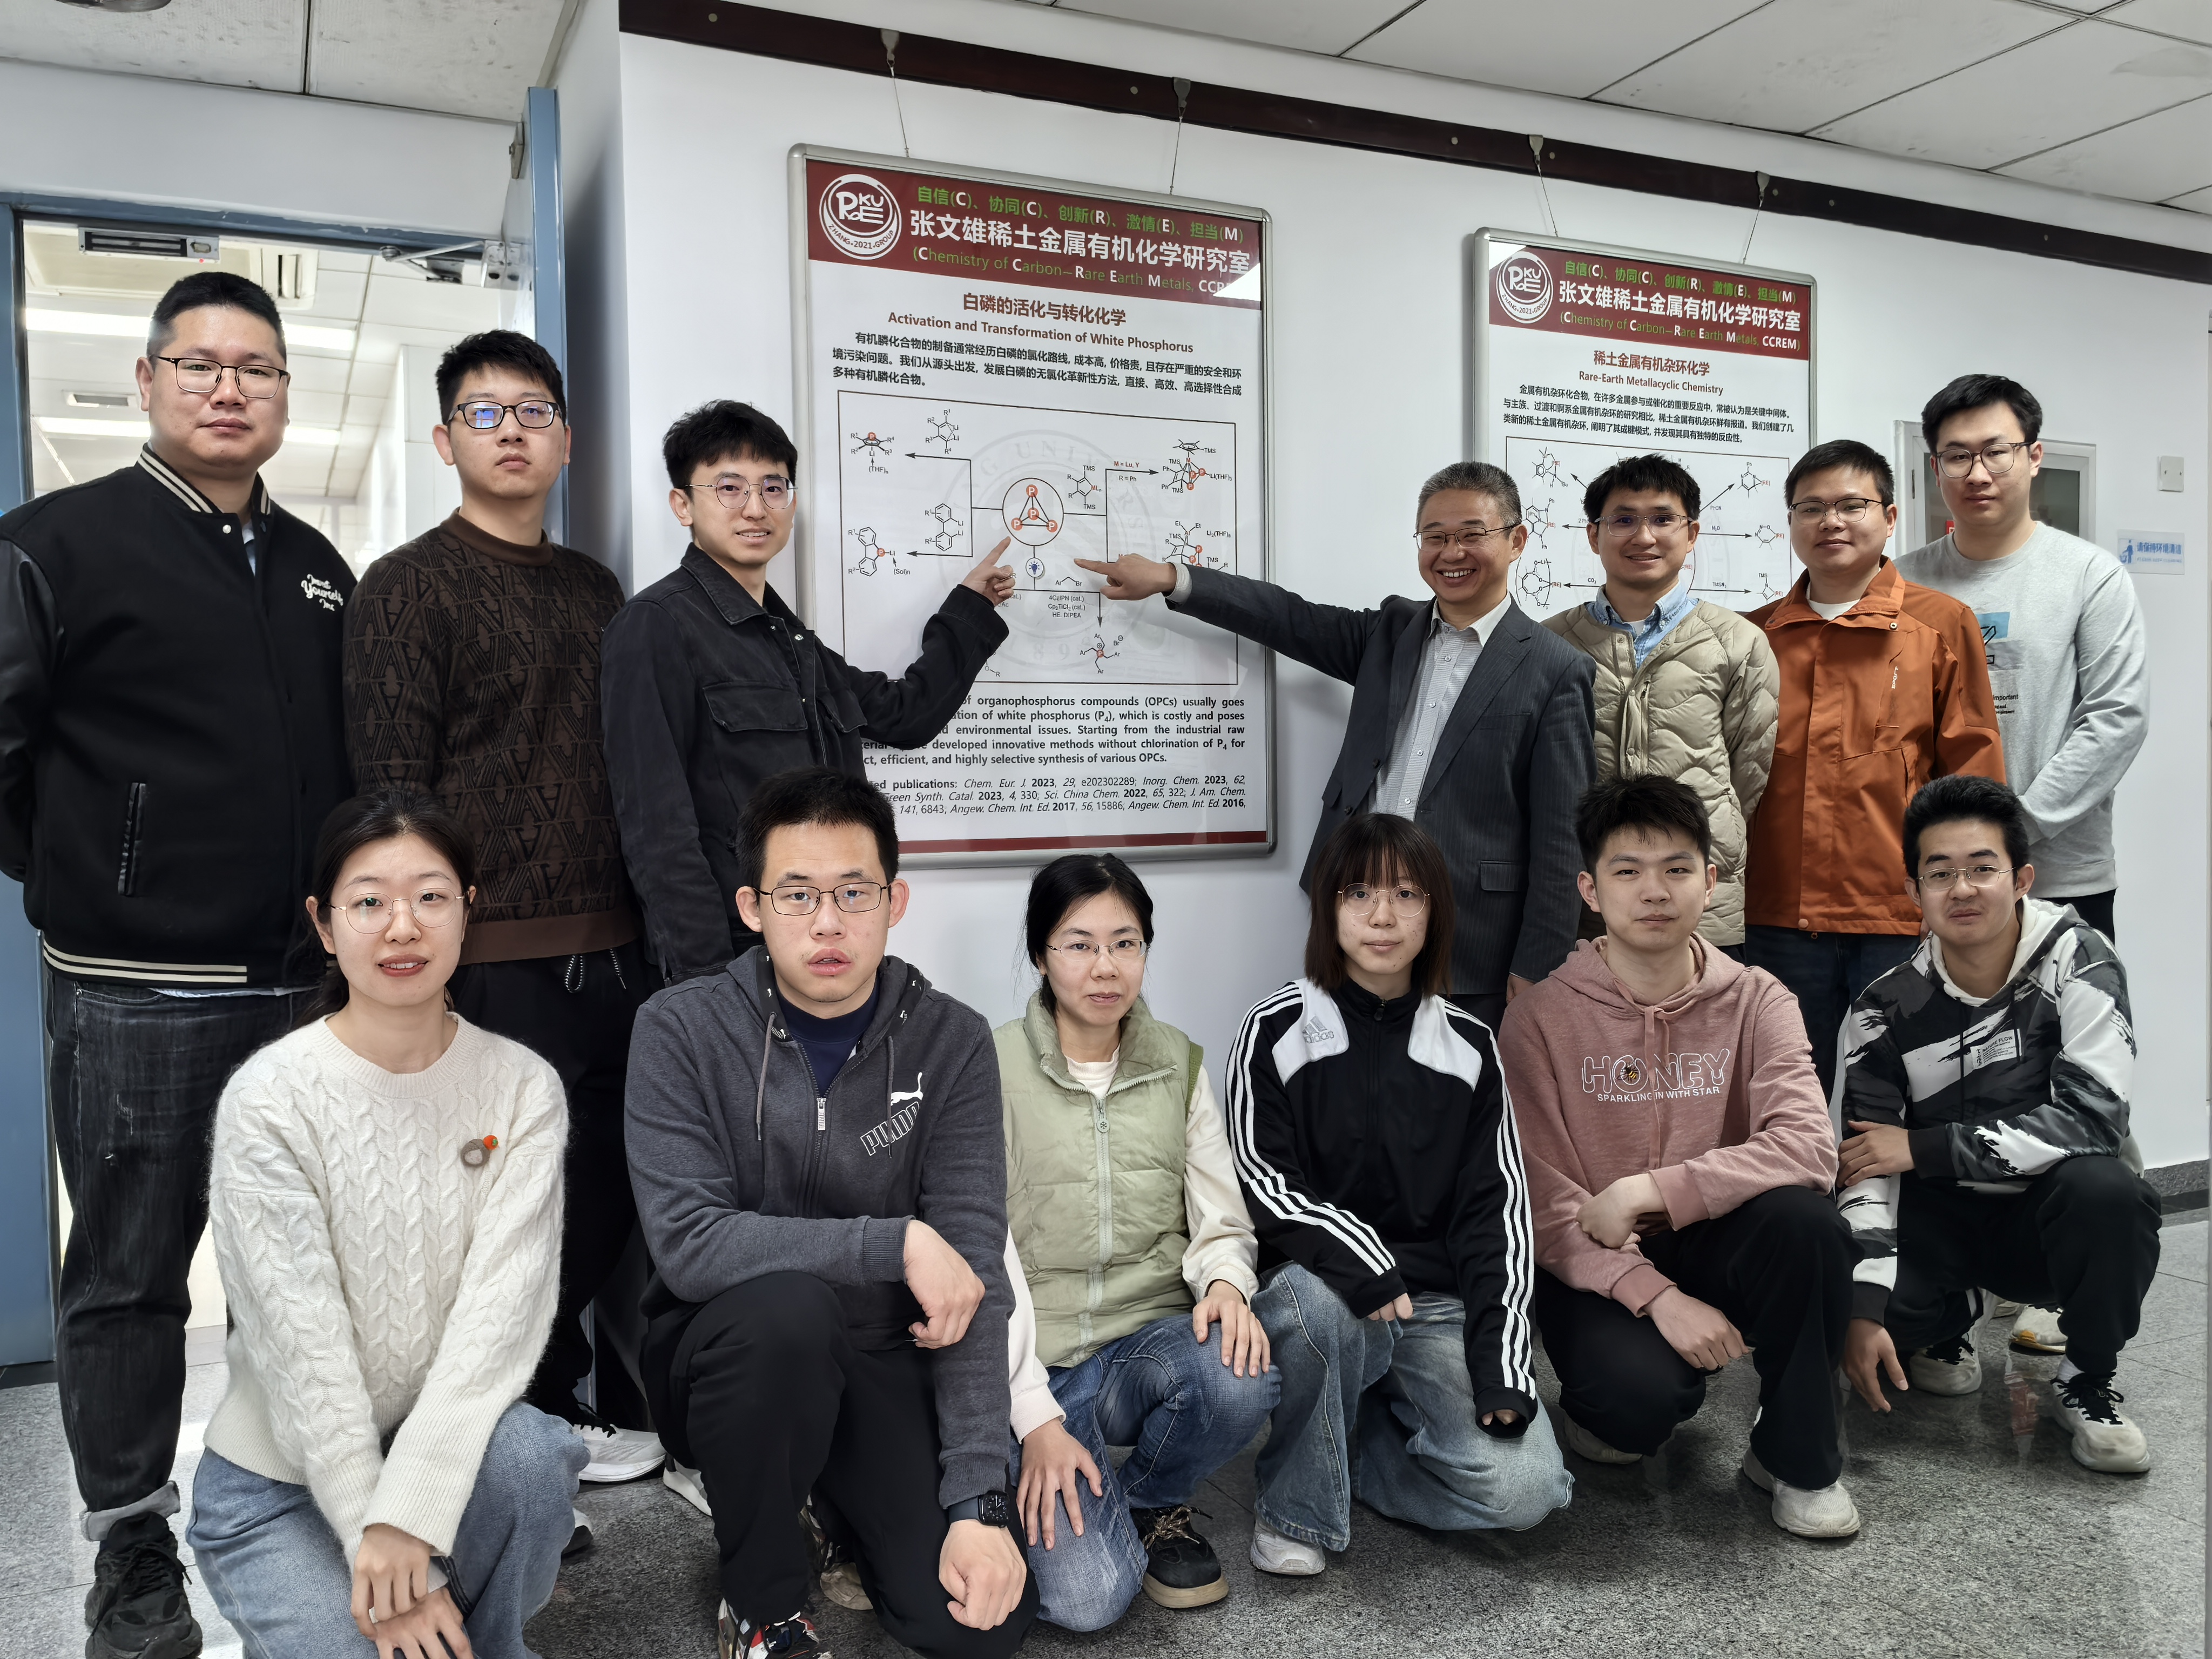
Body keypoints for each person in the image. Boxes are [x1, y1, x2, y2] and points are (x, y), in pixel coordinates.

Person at [0, 271, 357, 1659]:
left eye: (256, 368)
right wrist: (100, 872)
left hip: (302, 994)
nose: (228, 388)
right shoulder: (56, 544)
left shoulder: (319, 566)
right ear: (147, 381)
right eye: (199, 364)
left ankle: (278, 1496)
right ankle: (131, 1547)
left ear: (284, 396)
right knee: (131, 1280)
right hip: (135, 991)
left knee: (294, 1275)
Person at [345, 328, 663, 1485]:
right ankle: (487, 1451)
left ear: (566, 438)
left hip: (616, 953)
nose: (511, 431)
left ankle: (532, 1414)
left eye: (533, 411)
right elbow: (393, 793)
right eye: (484, 413)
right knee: (491, 1213)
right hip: (490, 963)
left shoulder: (595, 589)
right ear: (446, 441)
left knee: (601, 1197)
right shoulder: (404, 588)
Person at [625, 767, 1035, 1659]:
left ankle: (829, 1502)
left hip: (883, 1352)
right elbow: (690, 1244)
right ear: (751, 907)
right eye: (797, 894)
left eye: (854, 892)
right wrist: (896, 1242)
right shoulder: (678, 1029)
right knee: (790, 1313)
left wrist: (979, 1501)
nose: (826, 922)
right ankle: (765, 1602)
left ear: (895, 902)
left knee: (977, 1628)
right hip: (732, 1358)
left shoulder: (954, 1040)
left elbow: (973, 1274)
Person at [186, 790, 583, 1659]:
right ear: (324, 925)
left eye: (431, 897)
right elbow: (306, 1352)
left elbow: (497, 1327)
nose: (403, 927)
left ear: (468, 910)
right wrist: (387, 1541)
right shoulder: (270, 1099)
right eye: (369, 901)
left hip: (447, 1464)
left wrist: (409, 1523)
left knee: (530, 1457)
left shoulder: (522, 1088)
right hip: (279, 1485)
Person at [1079, 460, 1594, 1028]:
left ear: (1517, 540)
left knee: (1455, 1082)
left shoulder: (1555, 668)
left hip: (1472, 938)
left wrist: (1537, 964)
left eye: (1472, 534)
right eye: (1435, 537)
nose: (1451, 553)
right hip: (1355, 914)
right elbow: (1287, 617)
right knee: (1348, 1069)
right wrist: (1172, 578)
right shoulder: (1390, 633)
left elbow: (1561, 838)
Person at [1501, 775, 1859, 1537]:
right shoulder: (1537, 1019)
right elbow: (1539, 1196)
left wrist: (1650, 1189)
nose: (1654, 891)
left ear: (1711, 881)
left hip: (1722, 1237)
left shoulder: (1760, 998)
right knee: (1630, 1413)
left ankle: (1795, 1459)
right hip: (1600, 1257)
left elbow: (1808, 1147)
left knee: (1811, 1226)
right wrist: (1658, 1297)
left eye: (1676, 869)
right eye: (1628, 871)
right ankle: (1617, 1399)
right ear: (1591, 890)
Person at [1222, 812, 1570, 1575]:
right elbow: (1260, 1180)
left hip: (1433, 1308)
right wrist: (1364, 1264)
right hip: (1320, 1293)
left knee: (1527, 1492)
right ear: (1330, 908)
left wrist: (1503, 1366)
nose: (1382, 916)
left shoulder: (1470, 1044)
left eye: (1406, 895)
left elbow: (1498, 1217)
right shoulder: (1275, 1027)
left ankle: (1356, 1450)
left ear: (1434, 911)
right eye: (1359, 893)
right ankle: (1294, 1507)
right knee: (1319, 1305)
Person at [602, 401, 1016, 984]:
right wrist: (706, 987)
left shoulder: (791, 640)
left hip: (828, 940)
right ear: (683, 505)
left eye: (773, 488)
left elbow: (906, 716)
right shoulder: (656, 624)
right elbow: (655, 829)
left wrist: (970, 609)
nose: (755, 508)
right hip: (735, 955)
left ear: (791, 504)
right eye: (729, 488)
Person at [1835, 774, 2160, 1474]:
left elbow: (2093, 1121)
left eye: (1982, 868)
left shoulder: (2082, 959)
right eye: (1939, 873)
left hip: (2045, 1216)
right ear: (1913, 891)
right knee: (1855, 1306)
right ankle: (1951, 1318)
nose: (1962, 889)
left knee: (2110, 1192)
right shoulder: (1881, 1010)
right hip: (1940, 1219)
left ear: (2022, 879)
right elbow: (1864, 1166)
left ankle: (2087, 1377)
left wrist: (1922, 1147)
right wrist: (1862, 1304)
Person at [997, 854, 1277, 1627]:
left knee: (1241, 1371)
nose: (1105, 967)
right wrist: (1030, 1413)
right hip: (1036, 1364)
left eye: (1125, 943)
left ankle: (1155, 1501)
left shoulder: (1178, 1063)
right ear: (1040, 954)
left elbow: (1221, 1216)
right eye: (1079, 944)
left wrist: (1226, 1284)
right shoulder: (987, 1066)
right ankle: (1035, 1485)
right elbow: (982, 1250)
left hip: (1142, 1349)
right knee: (1086, 1602)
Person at [1743, 439, 2004, 1099]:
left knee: (1908, 1096)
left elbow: (1972, 777)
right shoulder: (1753, 636)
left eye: (1850, 506)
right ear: (1791, 523)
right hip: (1775, 917)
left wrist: (1966, 897)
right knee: (1785, 1095)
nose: (1829, 522)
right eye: (1810, 508)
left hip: (1899, 915)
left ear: (1889, 518)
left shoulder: (1940, 625)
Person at [1897, 374, 2146, 947]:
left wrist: (2010, 833)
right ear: (1936, 468)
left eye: (1996, 452)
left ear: (2033, 457)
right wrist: (1945, 850)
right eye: (1957, 456)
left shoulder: (2091, 575)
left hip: (2061, 877)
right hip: (1937, 881)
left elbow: (2116, 719)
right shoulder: (1902, 582)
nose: (1977, 473)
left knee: (2069, 1011)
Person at [1542, 454, 1778, 956]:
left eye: (1663, 519)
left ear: (1691, 534)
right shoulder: (1552, 642)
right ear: (1594, 535)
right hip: (1586, 899)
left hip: (1700, 904)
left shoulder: (1738, 641)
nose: (1644, 536)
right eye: (1624, 520)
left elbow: (1747, 773)